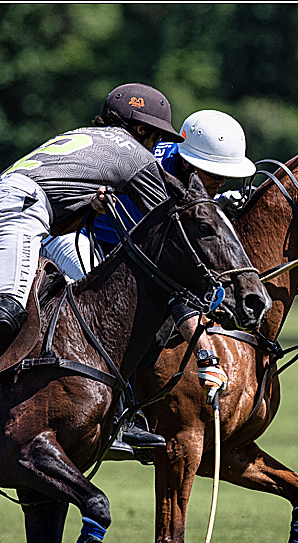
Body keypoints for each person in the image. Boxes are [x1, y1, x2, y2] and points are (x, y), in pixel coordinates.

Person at [0, 83, 216, 426]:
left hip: (9, 208)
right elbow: (172, 225)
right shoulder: (133, 152)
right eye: (156, 136)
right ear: (140, 128)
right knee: (6, 311)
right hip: (17, 211)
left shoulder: (89, 138)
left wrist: (91, 206)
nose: (155, 147)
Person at [41, 110, 257, 450]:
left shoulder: (186, 172)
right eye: (215, 174)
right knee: (115, 314)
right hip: (78, 237)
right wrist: (206, 355)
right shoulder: (152, 177)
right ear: (188, 164)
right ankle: (116, 417)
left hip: (122, 248)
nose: (221, 181)